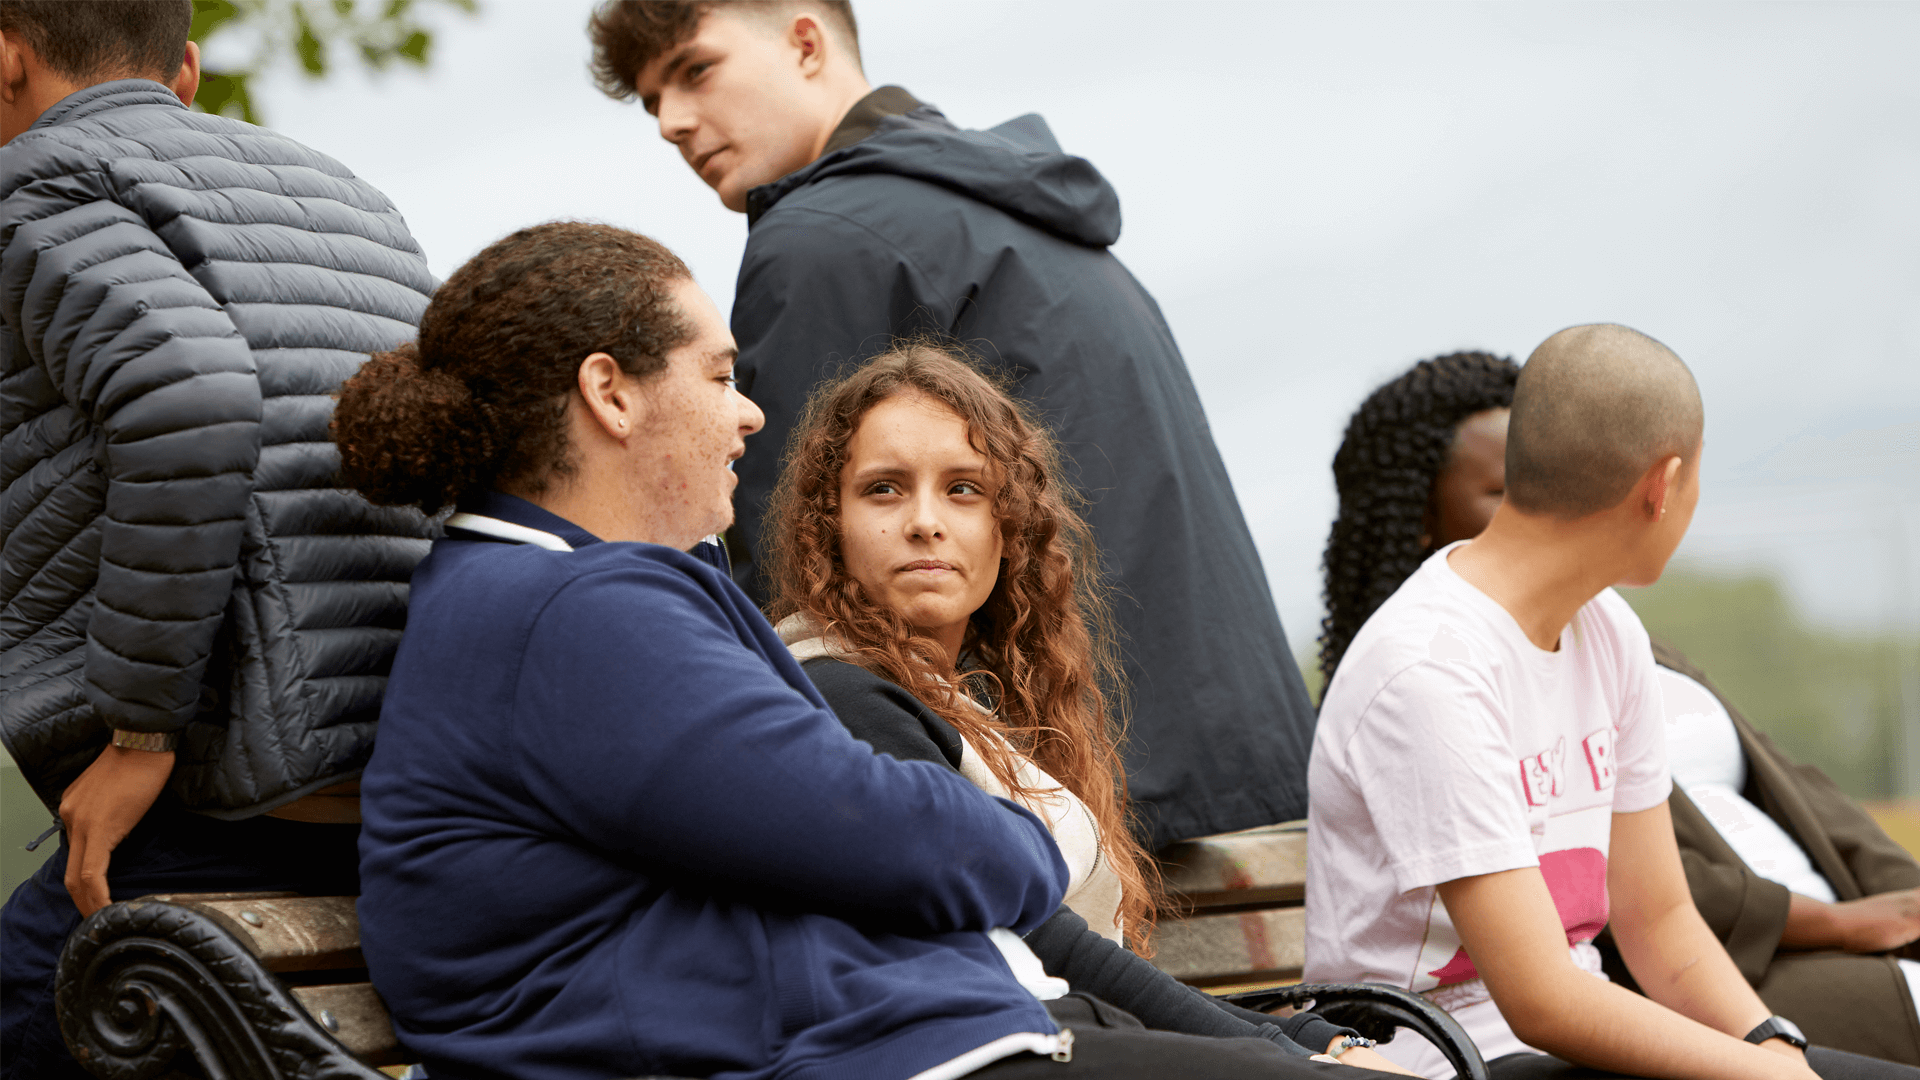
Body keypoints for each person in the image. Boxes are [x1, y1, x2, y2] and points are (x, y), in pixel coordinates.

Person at [337, 220, 1369, 1080]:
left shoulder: (542, 596)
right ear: (612, 394)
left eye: (966, 490)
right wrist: (1015, 839)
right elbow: (887, 830)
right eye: (719, 372)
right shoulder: (570, 611)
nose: (747, 414)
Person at [586, 0, 1317, 850]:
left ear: (805, 41)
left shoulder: (823, 240)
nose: (673, 121)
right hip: (1228, 771)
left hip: (1068, 807)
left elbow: (796, 573)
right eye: (650, 102)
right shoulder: (1004, 204)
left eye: (695, 70)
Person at [760, 340, 1413, 1072]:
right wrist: (1292, 1057)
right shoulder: (842, 699)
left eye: (964, 489)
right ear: (829, 525)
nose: (924, 521)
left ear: (1008, 530)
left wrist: (1311, 1037)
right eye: (883, 488)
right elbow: (1043, 946)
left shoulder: (951, 704)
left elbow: (1086, 973)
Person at [0, 2, 435, 1075]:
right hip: (402, 775)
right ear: (184, 72)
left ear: (5, 57)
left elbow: (188, 395)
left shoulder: (32, 188)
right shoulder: (352, 198)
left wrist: (143, 736)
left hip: (218, 796)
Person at [1304, 323, 1918, 1080]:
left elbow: (1661, 923)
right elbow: (1542, 1001)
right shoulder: (1428, 670)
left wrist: (1770, 1044)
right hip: (1449, 1060)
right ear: (1661, 487)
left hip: (1572, 1047)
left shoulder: (1608, 632)